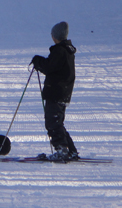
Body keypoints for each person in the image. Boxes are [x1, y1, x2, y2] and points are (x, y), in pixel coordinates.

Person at [31, 21, 78, 161]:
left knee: (53, 123)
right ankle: (70, 151)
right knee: (57, 122)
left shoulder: (60, 50)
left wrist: (37, 61)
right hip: (63, 92)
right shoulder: (67, 51)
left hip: (56, 92)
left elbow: (49, 67)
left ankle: (62, 150)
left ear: (55, 36)